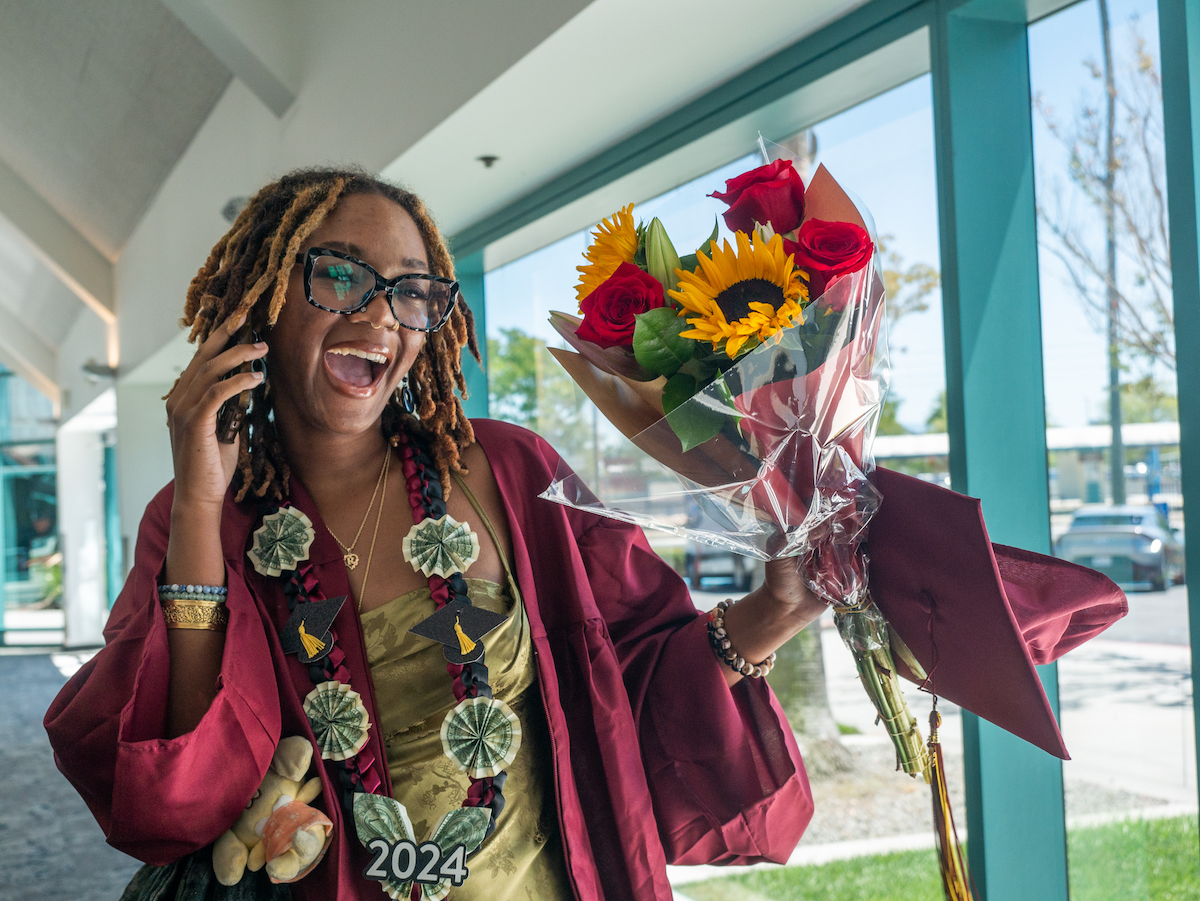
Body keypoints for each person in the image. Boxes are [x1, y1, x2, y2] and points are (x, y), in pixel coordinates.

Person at [45, 168, 824, 900]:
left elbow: (635, 690)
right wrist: (196, 509)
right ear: (263, 299)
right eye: (340, 275)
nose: (381, 313)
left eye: (411, 291)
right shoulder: (206, 517)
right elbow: (179, 783)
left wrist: (771, 615)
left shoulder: (508, 473)